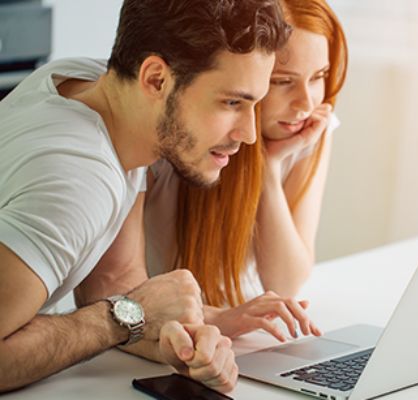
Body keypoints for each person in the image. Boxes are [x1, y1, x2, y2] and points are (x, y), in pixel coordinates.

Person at [0, 0, 291, 393]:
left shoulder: (86, 85)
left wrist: (178, 335)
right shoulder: (80, 178)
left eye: (254, 105)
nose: (249, 133)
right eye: (232, 102)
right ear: (156, 79)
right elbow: (120, 308)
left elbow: (112, 280)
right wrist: (124, 319)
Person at [144, 0, 348, 341]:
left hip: (228, 337)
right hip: (157, 336)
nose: (306, 103)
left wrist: (268, 168)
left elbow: (285, 282)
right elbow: (121, 287)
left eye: (319, 77)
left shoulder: (310, 129)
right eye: (283, 81)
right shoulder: (174, 137)